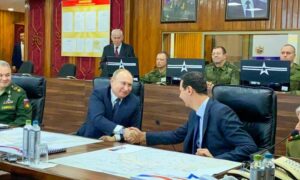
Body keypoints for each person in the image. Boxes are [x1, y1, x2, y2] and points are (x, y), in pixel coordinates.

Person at [116, 71, 257, 162]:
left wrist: (217, 159)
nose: (179, 95)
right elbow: (177, 135)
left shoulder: (221, 112)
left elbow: (249, 147)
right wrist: (143, 137)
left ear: (189, 90)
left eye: (181, 91)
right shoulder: (195, 113)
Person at [77, 69, 141, 141]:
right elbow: (97, 119)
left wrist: (115, 138)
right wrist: (122, 130)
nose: (126, 89)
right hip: (91, 139)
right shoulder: (98, 94)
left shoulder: (134, 101)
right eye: (123, 83)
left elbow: (133, 131)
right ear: (112, 81)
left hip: (116, 144)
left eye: (129, 85)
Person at [0, 60, 32, 126]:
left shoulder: (20, 93)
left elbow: (24, 118)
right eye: (0, 75)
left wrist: (6, 129)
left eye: (8, 75)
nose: (4, 78)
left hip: (7, 132)